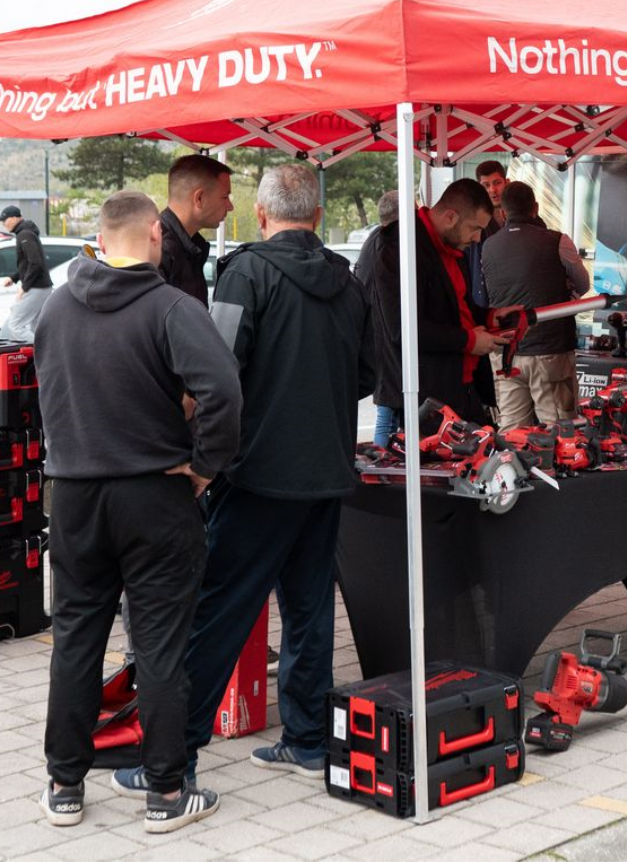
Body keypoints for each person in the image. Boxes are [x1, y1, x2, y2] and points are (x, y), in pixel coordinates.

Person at [116, 162, 374, 786]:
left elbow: (216, 372)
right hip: (326, 472)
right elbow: (369, 374)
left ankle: (170, 763)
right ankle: (308, 740)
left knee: (218, 615)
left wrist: (205, 458)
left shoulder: (246, 273)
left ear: (261, 214)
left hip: (257, 474)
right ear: (317, 216)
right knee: (310, 610)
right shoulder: (347, 280)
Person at [34, 190, 241, 835]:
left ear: (101, 238)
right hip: (154, 495)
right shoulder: (172, 307)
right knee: (160, 647)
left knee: (76, 639)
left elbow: (49, 390)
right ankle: (166, 793)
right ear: (156, 233)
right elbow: (224, 391)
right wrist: (205, 466)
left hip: (75, 494)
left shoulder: (55, 306)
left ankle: (65, 786)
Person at [369, 178, 515, 424]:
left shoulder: (453, 244)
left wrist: (491, 316)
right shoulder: (401, 249)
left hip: (465, 386)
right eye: (474, 228)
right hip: (426, 396)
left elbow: (459, 307)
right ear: (450, 217)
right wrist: (469, 341)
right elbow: (403, 329)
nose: (478, 238)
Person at [482, 180, 590, 429]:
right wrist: (566, 299)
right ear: (536, 208)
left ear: (503, 213)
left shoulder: (487, 246)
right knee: (559, 431)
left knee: (512, 431)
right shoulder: (557, 240)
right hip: (551, 350)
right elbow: (583, 284)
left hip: (505, 353)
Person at [352, 189, 400, 447]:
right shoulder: (389, 245)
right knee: (387, 411)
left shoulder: (371, 241)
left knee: (387, 409)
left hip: (374, 335)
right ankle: (383, 457)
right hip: (385, 339)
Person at [158, 154, 234, 304]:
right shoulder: (158, 249)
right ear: (199, 198)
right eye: (225, 197)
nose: (230, 207)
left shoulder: (189, 248)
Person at [462, 160, 509, 306]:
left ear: (507, 182)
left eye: (497, 183)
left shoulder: (521, 213)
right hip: (486, 301)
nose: (492, 190)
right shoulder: (474, 225)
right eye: (486, 185)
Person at [0, 205, 54, 299]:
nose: (3, 224)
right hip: (37, 287)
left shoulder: (25, 234)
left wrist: (24, 288)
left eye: (5, 220)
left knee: (18, 309)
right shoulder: (23, 233)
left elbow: (35, 263)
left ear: (14, 218)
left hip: (37, 288)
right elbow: (27, 265)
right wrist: (14, 278)